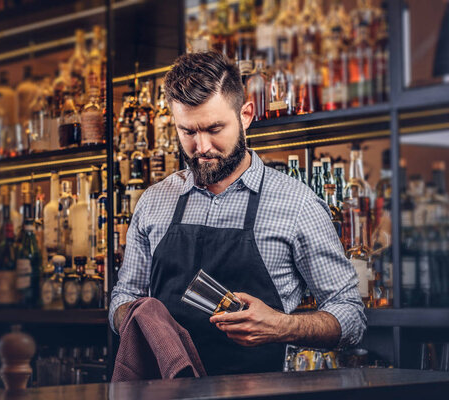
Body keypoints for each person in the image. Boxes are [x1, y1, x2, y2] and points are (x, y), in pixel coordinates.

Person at [109, 51, 366, 376]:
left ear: (245, 115)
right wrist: (138, 317)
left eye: (214, 128)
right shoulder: (154, 202)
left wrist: (281, 326)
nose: (201, 146)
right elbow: (125, 295)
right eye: (188, 131)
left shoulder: (296, 204)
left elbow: (351, 316)